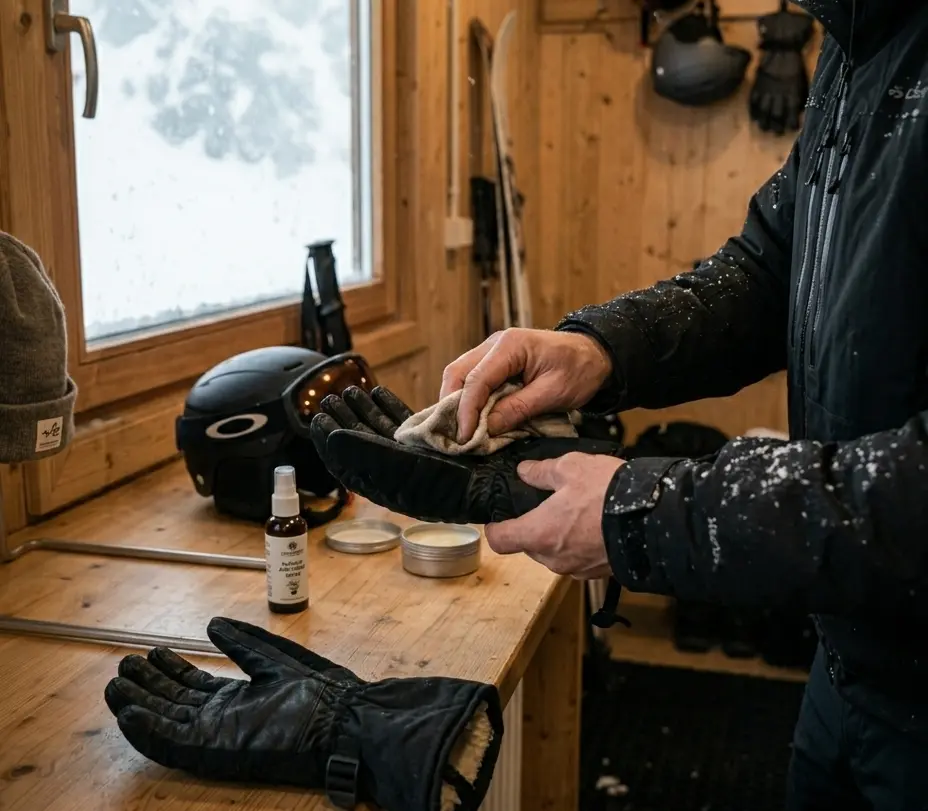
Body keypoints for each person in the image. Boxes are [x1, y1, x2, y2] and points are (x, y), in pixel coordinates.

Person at [440, 1, 928, 809]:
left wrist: (644, 511)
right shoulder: (856, 44)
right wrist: (600, 348)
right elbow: (771, 269)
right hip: (848, 659)